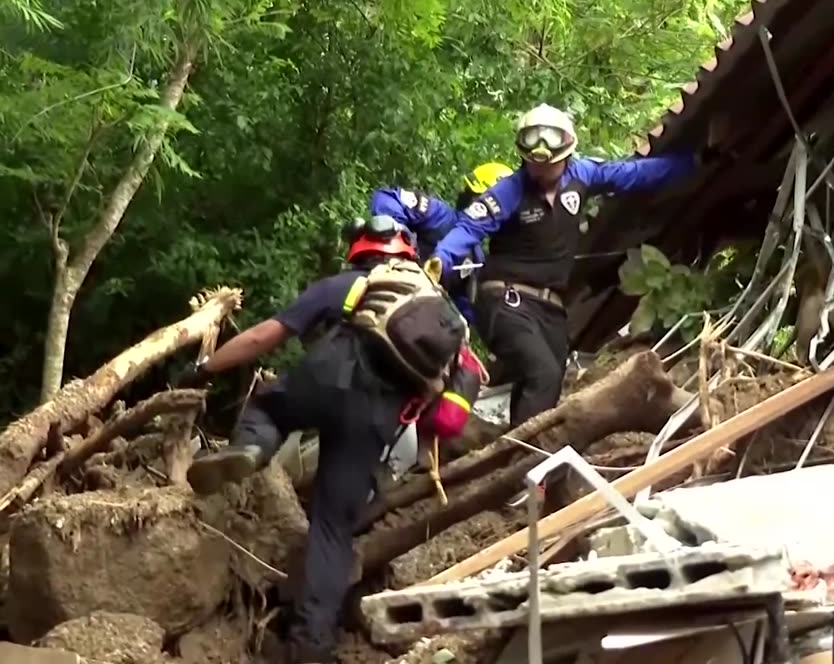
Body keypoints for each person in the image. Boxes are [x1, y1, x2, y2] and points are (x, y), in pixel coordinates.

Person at [179, 216, 483, 664]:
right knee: (332, 528)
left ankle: (253, 446)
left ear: (361, 249)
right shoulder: (445, 314)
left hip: (329, 375)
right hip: (378, 416)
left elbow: (267, 335)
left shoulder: (352, 285)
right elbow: (453, 397)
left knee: (270, 407)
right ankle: (311, 646)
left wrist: (204, 367)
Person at [430, 103, 717, 426]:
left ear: (566, 155)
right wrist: (441, 258)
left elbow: (634, 174)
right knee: (541, 371)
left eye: (550, 165)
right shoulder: (508, 191)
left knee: (549, 382)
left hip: (549, 307)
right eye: (533, 165)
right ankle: (524, 461)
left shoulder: (582, 175)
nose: (541, 172)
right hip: (506, 300)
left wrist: (693, 162)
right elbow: (469, 228)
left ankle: (520, 450)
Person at [370, 162, 514, 324]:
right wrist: (401, 243)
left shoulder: (476, 260)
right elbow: (387, 198)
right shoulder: (438, 215)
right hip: (386, 284)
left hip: (417, 316)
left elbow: (464, 308)